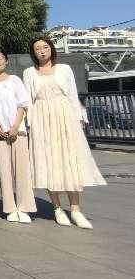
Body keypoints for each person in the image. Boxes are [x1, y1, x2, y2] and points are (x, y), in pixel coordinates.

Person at [23, 37, 105, 228]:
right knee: (49, 161)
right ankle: (57, 208)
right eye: (37, 48)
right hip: (41, 119)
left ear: (51, 49)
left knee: (70, 161)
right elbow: (28, 101)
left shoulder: (64, 69)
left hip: (65, 116)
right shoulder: (29, 72)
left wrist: (79, 118)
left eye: (45, 47)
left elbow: (73, 95)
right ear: (33, 53)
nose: (42, 51)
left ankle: (76, 210)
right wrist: (30, 124)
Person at [0, 49, 35, 223]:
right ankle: (10, 208)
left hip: (17, 131)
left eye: (0, 58)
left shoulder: (15, 80)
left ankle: (24, 207)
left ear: (6, 61)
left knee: (22, 170)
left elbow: (23, 104)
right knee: (4, 171)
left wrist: (15, 126)